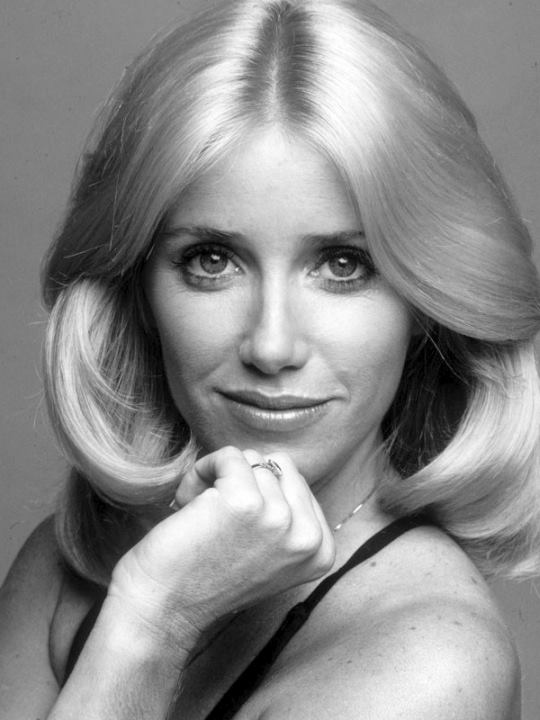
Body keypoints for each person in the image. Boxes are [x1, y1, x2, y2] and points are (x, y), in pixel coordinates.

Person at [1, 0, 539, 717]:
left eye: (344, 265)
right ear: (137, 286)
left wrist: (157, 620)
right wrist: (151, 607)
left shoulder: (432, 665)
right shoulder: (69, 564)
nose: (271, 345)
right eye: (212, 260)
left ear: (426, 303)